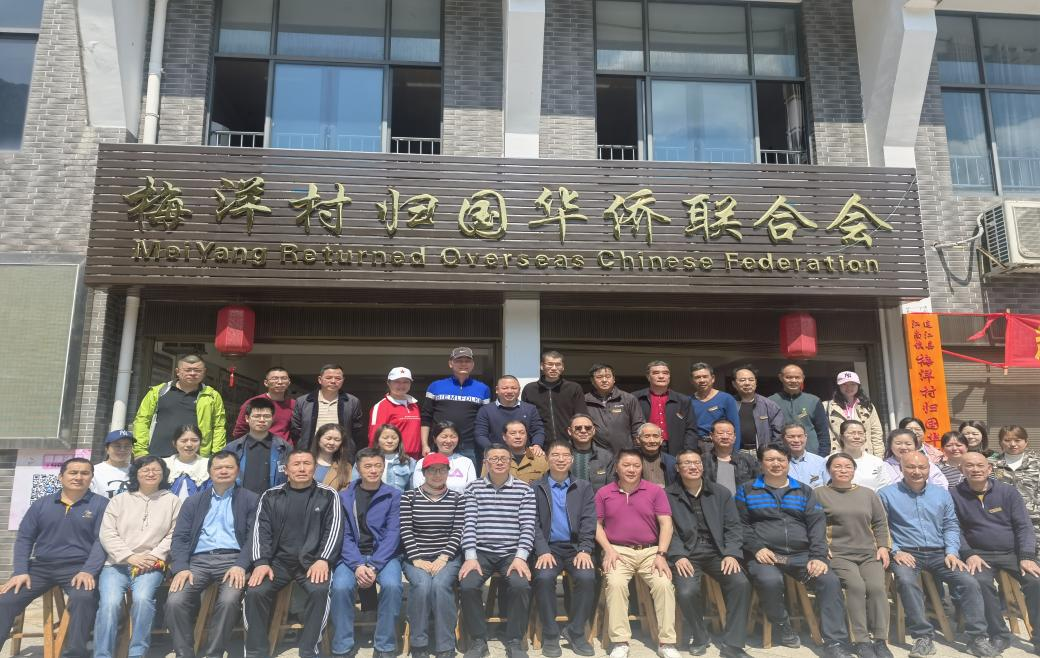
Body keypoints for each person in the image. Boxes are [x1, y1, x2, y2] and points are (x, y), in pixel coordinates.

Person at [735, 444, 852, 658]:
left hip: (801, 555)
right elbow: (740, 524)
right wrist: (756, 547)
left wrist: (818, 556)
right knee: (770, 581)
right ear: (761, 463)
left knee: (829, 581)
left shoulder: (804, 490)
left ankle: (835, 642)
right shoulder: (747, 490)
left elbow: (816, 525)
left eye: (781, 459)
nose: (776, 464)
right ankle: (782, 625)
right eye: (770, 459)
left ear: (788, 462)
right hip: (765, 555)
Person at [879, 451, 998, 658]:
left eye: (922, 467)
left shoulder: (941, 494)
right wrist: (895, 550)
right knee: (906, 581)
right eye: (911, 467)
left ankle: (977, 638)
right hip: (906, 552)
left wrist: (951, 552)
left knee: (969, 581)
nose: (917, 471)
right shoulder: (886, 494)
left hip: (940, 553)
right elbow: (881, 526)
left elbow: (950, 524)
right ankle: (923, 637)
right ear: (901, 468)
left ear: (929, 469)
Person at [0, 458, 107, 658]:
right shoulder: (42, 504)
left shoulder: (101, 505)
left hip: (79, 568)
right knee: (6, 600)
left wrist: (89, 570)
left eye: (85, 473)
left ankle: (75, 654)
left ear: (91, 478)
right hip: (41, 567)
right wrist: (20, 570)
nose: (78, 477)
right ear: (61, 477)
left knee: (83, 598)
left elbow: (101, 541)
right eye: (73, 472)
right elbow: (24, 538)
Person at [243, 450, 343, 658]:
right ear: (286, 469)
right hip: (277, 563)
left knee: (320, 592)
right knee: (254, 592)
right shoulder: (271, 496)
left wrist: (323, 559)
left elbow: (333, 530)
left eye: (307, 463)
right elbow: (260, 531)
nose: (302, 468)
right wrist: (261, 562)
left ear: (315, 468)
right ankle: (256, 652)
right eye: (296, 464)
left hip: (312, 562)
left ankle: (309, 649)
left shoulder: (328, 495)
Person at [165, 451, 259, 658]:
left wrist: (241, 565)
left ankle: (214, 653)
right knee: (175, 601)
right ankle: (184, 653)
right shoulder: (194, 501)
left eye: (229, 467)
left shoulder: (251, 499)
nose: (223, 471)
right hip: (197, 562)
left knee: (229, 600)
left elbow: (254, 537)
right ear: (210, 472)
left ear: (237, 471)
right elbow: (180, 537)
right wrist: (181, 568)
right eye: (218, 467)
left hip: (233, 561)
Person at [666, 449, 752, 658]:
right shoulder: (667, 495)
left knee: (740, 583)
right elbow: (667, 530)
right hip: (687, 553)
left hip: (718, 552)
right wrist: (678, 555)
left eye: (696, 462)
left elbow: (733, 527)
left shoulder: (720, 493)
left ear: (702, 466)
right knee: (686, 591)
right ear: (677, 468)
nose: (693, 467)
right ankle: (699, 635)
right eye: (687, 463)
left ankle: (732, 644)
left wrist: (731, 553)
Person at [952, 451, 1040, 655]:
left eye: (980, 465)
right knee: (980, 583)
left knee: (1036, 581)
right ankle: (999, 634)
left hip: (1012, 552)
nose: (975, 469)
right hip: (979, 554)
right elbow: (955, 529)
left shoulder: (1008, 492)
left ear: (989, 468)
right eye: (969, 466)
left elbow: (1024, 526)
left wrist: (1027, 556)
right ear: (961, 469)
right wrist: (968, 553)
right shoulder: (954, 495)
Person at [595, 448, 679, 658]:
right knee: (615, 584)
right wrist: (608, 550)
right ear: (617, 468)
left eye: (636, 465)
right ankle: (620, 641)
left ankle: (666, 643)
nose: (631, 470)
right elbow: (596, 525)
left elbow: (666, 524)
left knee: (664, 585)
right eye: (626, 465)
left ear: (642, 468)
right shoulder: (604, 493)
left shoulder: (655, 491)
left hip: (651, 551)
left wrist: (661, 554)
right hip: (617, 551)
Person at [95, 456, 182, 658]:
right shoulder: (119, 500)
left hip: (151, 565)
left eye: (156, 470)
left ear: (163, 474)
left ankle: (137, 652)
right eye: (145, 470)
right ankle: (102, 654)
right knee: (109, 604)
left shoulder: (172, 501)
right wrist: (129, 556)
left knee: (143, 600)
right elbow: (107, 533)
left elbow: (174, 534)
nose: (150, 473)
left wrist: (154, 556)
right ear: (136, 474)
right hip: (115, 564)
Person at [458, 443, 537, 658]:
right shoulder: (473, 488)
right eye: (494, 458)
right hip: (480, 552)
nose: (499, 462)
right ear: (485, 462)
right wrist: (470, 556)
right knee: (467, 586)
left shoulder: (524, 490)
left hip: (511, 553)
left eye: (504, 458)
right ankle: (478, 640)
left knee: (521, 586)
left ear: (511, 462)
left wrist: (521, 557)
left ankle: (514, 640)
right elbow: (468, 524)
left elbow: (528, 527)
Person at [814, 453, 892, 658]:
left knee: (877, 588)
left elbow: (880, 522)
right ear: (829, 470)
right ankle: (861, 640)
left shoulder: (868, 494)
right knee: (856, 587)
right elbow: (813, 523)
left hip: (868, 553)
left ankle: (880, 640)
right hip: (839, 553)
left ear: (854, 470)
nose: (843, 470)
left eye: (848, 466)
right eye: (837, 466)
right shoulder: (819, 494)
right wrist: (821, 545)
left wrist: (883, 546)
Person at [332, 448, 403, 658]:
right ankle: (342, 646)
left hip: (384, 556)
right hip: (351, 556)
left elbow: (393, 534)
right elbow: (343, 535)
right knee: (340, 587)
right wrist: (357, 565)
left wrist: (373, 566)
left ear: (383, 466)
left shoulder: (394, 495)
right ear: (358, 468)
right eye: (368, 466)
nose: (373, 470)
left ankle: (385, 646)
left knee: (392, 586)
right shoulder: (344, 497)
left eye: (378, 465)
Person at [531, 441, 598, 658]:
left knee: (587, 578)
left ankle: (575, 631)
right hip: (548, 548)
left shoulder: (583, 487)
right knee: (543, 578)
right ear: (547, 458)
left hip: (575, 548)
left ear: (572, 459)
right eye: (555, 455)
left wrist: (585, 549)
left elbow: (589, 521)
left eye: (565, 455)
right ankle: (551, 634)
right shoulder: (536, 487)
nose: (560, 459)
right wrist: (542, 550)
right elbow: (532, 523)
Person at [400, 453, 465, 658]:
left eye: (442, 470)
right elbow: (406, 530)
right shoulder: (409, 497)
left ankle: (445, 645)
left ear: (448, 472)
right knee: (422, 586)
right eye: (432, 470)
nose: (437, 474)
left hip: (448, 558)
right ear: (424, 473)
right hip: (416, 557)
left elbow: (458, 531)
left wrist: (443, 557)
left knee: (440, 586)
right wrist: (417, 558)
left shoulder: (457, 498)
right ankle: (419, 643)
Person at [132, 353, 226, 457]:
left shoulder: (212, 396)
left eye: (197, 370)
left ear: (204, 372)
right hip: (157, 456)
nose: (192, 373)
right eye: (188, 370)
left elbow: (218, 427)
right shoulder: (158, 392)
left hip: (196, 459)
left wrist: (218, 456)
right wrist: (140, 452)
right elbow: (142, 421)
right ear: (177, 372)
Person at [421, 347, 491, 463]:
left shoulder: (483, 389)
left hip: (470, 447)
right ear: (450, 363)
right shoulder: (435, 386)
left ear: (473, 364)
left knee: (468, 475)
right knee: (437, 474)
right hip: (440, 445)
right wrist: (424, 445)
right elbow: (426, 417)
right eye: (459, 361)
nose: (463, 364)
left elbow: (484, 422)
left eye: (467, 361)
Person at [290, 363, 365, 453]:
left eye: (338, 378)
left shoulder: (352, 402)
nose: (333, 381)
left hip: (341, 453)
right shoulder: (304, 401)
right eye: (328, 378)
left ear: (343, 380)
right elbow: (296, 430)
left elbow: (357, 431)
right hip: (311, 452)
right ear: (320, 380)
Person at [226, 397, 293, 494]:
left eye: (266, 416)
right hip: (240, 500)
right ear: (247, 418)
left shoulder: (285, 448)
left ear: (272, 418)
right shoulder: (232, 449)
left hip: (272, 501)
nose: (262, 420)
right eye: (257, 416)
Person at [522, 350, 588, 444]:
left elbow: (581, 416)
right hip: (539, 444)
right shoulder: (530, 389)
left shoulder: (574, 388)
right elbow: (526, 418)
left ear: (563, 367)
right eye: (550, 364)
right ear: (542, 366)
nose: (554, 368)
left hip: (569, 442)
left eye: (558, 364)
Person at [632, 361, 697, 456]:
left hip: (675, 450)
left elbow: (691, 430)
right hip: (644, 448)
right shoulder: (635, 398)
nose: (661, 376)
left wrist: (688, 452)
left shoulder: (683, 400)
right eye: (656, 373)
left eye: (665, 373)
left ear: (669, 377)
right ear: (648, 377)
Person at [991, 425, 1040, 543]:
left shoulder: (1037, 462)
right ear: (1000, 442)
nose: (1013, 444)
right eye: (1007, 440)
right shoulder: (991, 464)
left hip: (1034, 521)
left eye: (1018, 440)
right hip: (1001, 520)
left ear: (1026, 442)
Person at [475, 375, 546, 456]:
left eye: (514, 388)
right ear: (497, 390)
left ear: (519, 390)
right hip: (497, 457)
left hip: (525, 456)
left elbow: (538, 430)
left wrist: (537, 444)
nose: (509, 391)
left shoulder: (530, 409)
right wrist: (493, 450)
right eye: (505, 388)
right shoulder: (486, 410)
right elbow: (480, 435)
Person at [769, 364, 829, 456]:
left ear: (803, 378)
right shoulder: (771, 401)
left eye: (797, 377)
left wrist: (822, 455)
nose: (793, 380)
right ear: (781, 378)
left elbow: (823, 432)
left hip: (811, 453)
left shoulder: (813, 401)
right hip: (781, 455)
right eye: (789, 377)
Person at [585, 363, 645, 453]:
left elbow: (638, 426)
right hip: (597, 454)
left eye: (608, 376)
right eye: (599, 377)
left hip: (625, 452)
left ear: (614, 379)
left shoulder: (628, 399)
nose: (604, 380)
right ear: (592, 381)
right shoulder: (585, 401)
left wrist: (637, 451)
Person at [368, 366, 423, 459]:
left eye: (406, 382)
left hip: (415, 458)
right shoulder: (381, 406)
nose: (401, 385)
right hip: (392, 458)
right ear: (388, 383)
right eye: (397, 382)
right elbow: (374, 437)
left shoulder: (414, 405)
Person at [824, 371, 884, 456]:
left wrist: (879, 457)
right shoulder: (826, 406)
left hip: (864, 455)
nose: (849, 387)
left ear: (858, 386)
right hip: (838, 455)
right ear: (838, 386)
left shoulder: (867, 406)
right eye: (844, 384)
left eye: (853, 384)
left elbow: (876, 433)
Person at [232, 366, 295, 440]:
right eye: (275, 378)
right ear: (266, 383)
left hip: (285, 446)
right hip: (260, 445)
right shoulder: (253, 403)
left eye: (284, 378)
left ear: (289, 382)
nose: (280, 382)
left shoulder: (295, 404)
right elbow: (240, 431)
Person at [412, 420, 477, 492]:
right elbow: (418, 488)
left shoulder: (466, 462)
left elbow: (471, 490)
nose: (448, 441)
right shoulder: (423, 462)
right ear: (434, 439)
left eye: (453, 437)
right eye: (444, 437)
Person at [730, 365, 784, 451]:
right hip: (735, 452)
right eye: (742, 380)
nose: (747, 383)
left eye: (751, 380)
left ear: (756, 382)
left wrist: (771, 452)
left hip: (761, 452)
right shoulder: (728, 404)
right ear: (734, 384)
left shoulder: (770, 405)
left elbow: (778, 434)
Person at [701, 419, 759, 494]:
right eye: (720, 433)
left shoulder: (748, 460)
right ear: (711, 436)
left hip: (741, 500)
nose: (725, 437)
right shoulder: (703, 460)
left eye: (729, 433)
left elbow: (759, 485)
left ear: (734, 437)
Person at [689, 363, 740, 445]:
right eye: (697, 377)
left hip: (720, 445)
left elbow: (735, 427)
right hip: (695, 445)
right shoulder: (688, 401)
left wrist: (734, 450)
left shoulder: (726, 399)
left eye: (705, 376)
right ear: (692, 381)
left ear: (713, 378)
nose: (702, 380)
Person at [355, 423, 415, 491]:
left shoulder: (408, 462)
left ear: (399, 440)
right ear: (377, 439)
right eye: (385, 438)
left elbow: (411, 489)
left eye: (394, 438)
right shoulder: (364, 459)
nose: (390, 441)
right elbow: (354, 485)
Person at [881, 429, 948, 489]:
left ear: (915, 446)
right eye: (898, 443)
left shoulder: (925, 463)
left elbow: (941, 485)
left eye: (908, 444)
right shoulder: (883, 466)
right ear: (890, 445)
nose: (903, 447)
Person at [485, 419, 548, 485]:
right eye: (513, 433)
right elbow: (484, 485)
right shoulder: (492, 459)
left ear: (526, 435)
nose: (518, 437)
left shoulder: (540, 458)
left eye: (522, 433)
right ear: (504, 437)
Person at [837, 420, 892, 491]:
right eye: (852, 433)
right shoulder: (831, 460)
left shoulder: (876, 461)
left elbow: (885, 486)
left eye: (860, 433)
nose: (857, 437)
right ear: (841, 437)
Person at [567, 413, 615, 490]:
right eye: (578, 428)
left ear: (593, 430)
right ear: (570, 431)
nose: (583, 431)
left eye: (588, 428)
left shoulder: (606, 456)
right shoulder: (561, 455)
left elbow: (611, 488)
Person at [164, 425, 210, 498]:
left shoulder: (208, 464)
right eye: (183, 441)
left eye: (194, 440)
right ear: (174, 443)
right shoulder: (164, 464)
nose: (189, 444)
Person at [783, 423, 829, 488]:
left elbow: (828, 489)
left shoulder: (820, 462)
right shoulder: (778, 464)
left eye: (800, 436)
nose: (796, 440)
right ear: (783, 439)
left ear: (806, 437)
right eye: (791, 437)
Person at [310, 423, 354, 490]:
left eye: (337, 440)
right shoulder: (303, 462)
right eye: (328, 438)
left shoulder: (346, 467)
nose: (332, 443)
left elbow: (344, 492)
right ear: (318, 439)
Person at [91, 429, 133, 498]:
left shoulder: (138, 471)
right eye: (117, 446)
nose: (122, 449)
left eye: (127, 446)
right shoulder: (95, 471)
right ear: (107, 449)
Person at [635, 422, 677, 487]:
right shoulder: (631, 462)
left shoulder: (672, 462)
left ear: (661, 440)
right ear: (638, 440)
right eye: (647, 436)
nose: (652, 441)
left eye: (656, 436)